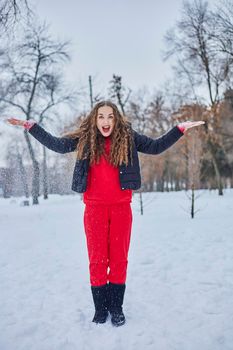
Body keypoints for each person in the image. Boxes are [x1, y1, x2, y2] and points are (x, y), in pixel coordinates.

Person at [7, 101, 204, 327]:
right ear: (95, 118)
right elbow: (58, 145)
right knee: (97, 261)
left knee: (119, 260)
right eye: (101, 117)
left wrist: (179, 129)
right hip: (94, 210)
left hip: (121, 209)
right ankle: (100, 309)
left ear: (116, 118)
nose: (106, 121)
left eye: (110, 116)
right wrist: (31, 126)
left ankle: (116, 308)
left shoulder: (128, 137)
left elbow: (155, 147)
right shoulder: (85, 138)